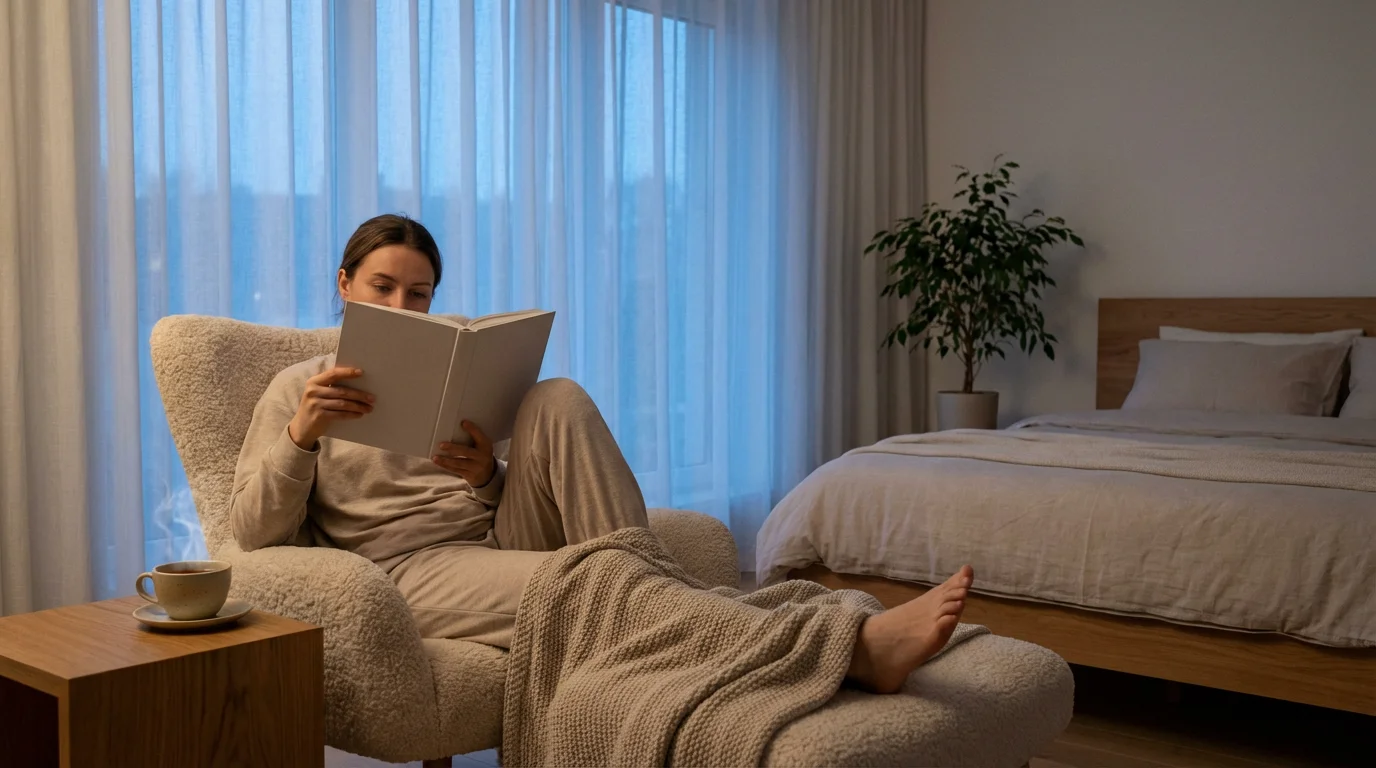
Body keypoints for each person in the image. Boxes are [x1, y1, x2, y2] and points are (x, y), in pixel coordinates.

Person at [230, 213, 974, 695]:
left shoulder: (438, 368)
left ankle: (643, 583)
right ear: (345, 284)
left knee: (557, 395)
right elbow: (252, 535)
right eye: (382, 288)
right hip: (408, 571)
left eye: (418, 295)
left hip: (493, 534)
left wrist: (486, 473)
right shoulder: (297, 387)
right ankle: (849, 650)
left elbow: (504, 490)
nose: (400, 308)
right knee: (597, 586)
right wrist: (303, 435)